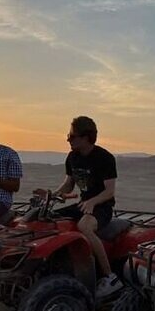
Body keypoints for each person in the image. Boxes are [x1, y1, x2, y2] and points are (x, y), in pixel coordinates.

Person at [37, 116, 122, 298]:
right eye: (68, 135)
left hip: (101, 207)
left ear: (86, 137)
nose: (68, 139)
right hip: (83, 204)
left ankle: (110, 276)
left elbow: (109, 192)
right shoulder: (72, 157)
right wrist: (52, 196)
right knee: (48, 218)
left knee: (85, 226)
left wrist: (92, 201)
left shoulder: (104, 158)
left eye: (72, 136)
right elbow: (69, 184)